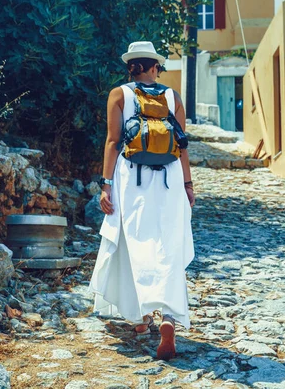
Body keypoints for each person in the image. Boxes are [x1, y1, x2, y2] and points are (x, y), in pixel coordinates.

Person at [89, 41, 195, 361]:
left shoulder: (119, 95)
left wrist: (105, 185)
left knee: (136, 244)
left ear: (130, 67)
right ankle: (167, 318)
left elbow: (112, 141)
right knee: (169, 245)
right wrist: (188, 184)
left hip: (132, 177)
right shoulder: (173, 97)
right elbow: (183, 145)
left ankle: (143, 315)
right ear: (154, 67)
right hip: (170, 178)